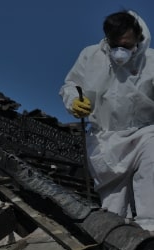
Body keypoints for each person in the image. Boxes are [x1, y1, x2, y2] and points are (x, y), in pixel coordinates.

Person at [60, 10, 154, 231]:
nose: (120, 51)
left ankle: (150, 228)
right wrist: (74, 101)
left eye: (127, 44)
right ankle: (115, 236)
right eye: (115, 44)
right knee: (113, 203)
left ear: (139, 39)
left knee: (151, 169)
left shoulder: (151, 61)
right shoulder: (91, 56)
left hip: (143, 133)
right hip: (104, 137)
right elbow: (71, 85)